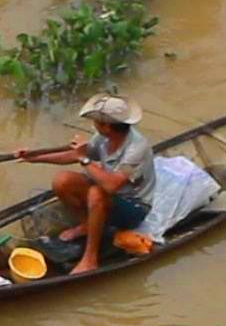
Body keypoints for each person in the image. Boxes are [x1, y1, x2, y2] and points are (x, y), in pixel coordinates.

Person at [15, 93, 157, 274]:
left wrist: (83, 158)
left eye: (96, 122)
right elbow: (74, 155)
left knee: (96, 193)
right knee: (63, 180)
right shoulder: (103, 137)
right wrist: (33, 157)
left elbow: (111, 186)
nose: (94, 125)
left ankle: (90, 258)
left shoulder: (137, 148)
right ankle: (88, 225)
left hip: (134, 206)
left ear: (106, 126)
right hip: (110, 195)